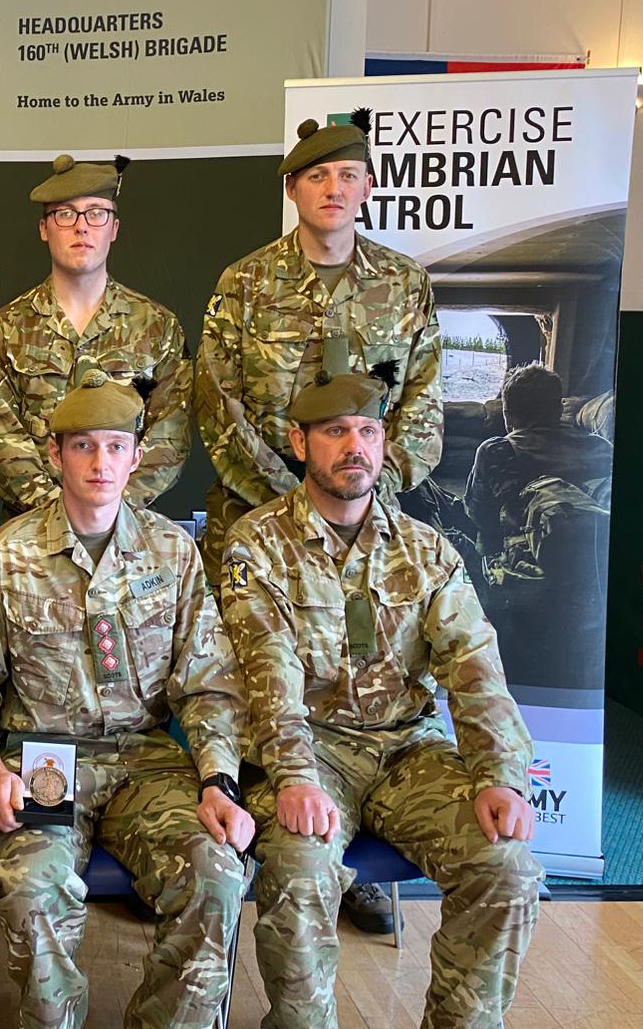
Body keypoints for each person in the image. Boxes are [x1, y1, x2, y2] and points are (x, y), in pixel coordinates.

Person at [222, 371, 542, 1029]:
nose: (354, 447)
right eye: (335, 431)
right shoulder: (256, 544)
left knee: (505, 866)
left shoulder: (427, 552)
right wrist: (293, 775)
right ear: (299, 441)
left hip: (408, 752)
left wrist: (500, 776)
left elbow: (474, 666)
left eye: (368, 431)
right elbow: (265, 666)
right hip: (309, 751)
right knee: (300, 868)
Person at [195, 111, 444, 933]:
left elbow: (423, 406)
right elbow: (218, 405)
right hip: (258, 526)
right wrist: (287, 499)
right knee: (263, 681)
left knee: (368, 681)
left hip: (369, 525)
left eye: (348, 177)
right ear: (294, 189)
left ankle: (365, 868)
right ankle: (262, 843)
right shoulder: (244, 284)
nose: (333, 190)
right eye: (316, 178)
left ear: (367, 188)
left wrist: (366, 482)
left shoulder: (404, 285)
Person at [0, 372, 251, 1029]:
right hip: (43, 759)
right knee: (31, 888)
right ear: (56, 453)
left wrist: (218, 780)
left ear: (137, 456)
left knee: (216, 875)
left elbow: (207, 683)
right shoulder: (12, 552)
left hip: (145, 760)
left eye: (115, 446)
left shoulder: (172, 552)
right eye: (83, 446)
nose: (99, 463)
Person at [0, 154, 191, 519]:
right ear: (44, 229)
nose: (81, 228)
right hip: (30, 536)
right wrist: (60, 514)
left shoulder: (156, 326)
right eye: (65, 214)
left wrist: (110, 513)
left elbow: (170, 437)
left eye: (96, 213)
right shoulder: (7, 328)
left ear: (114, 228)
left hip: (129, 531)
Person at [465, 363, 613, 554]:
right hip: (595, 559)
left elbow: (478, 515)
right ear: (559, 410)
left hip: (523, 565)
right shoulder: (601, 447)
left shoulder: (497, 451)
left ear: (508, 416)